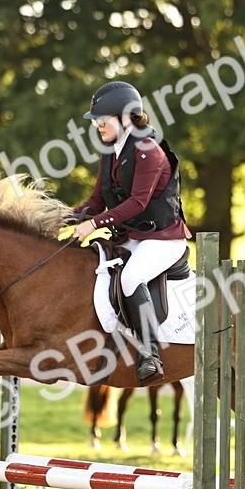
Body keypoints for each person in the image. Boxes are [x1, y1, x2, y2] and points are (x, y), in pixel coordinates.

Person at [68, 80, 192, 384]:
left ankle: (150, 354)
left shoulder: (149, 150)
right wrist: (65, 218)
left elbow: (138, 202)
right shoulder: (111, 151)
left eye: (103, 119)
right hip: (133, 238)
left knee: (131, 277)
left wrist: (94, 225)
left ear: (125, 118)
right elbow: (97, 200)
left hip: (163, 239)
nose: (97, 125)